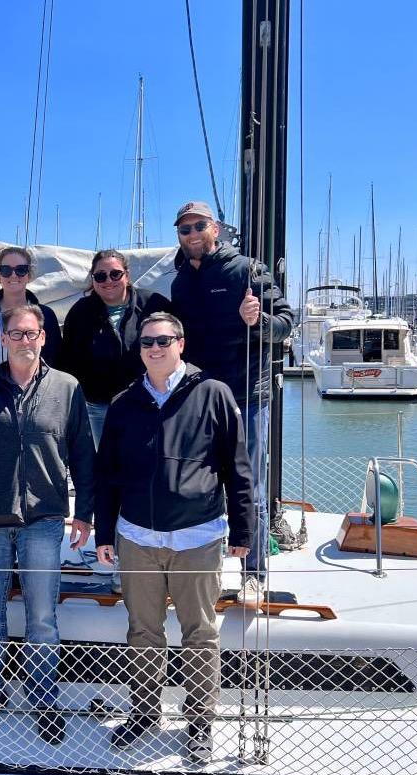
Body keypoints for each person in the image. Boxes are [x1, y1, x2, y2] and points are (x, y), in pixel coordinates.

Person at [94, 312, 254, 764]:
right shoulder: (125, 403)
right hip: (137, 537)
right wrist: (104, 531)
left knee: (199, 632)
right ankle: (145, 713)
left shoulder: (214, 394)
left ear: (181, 343)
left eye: (164, 340)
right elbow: (107, 475)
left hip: (197, 536)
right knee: (142, 631)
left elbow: (238, 470)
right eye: (147, 341)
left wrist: (243, 530)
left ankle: (200, 720)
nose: (155, 348)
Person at [0, 304, 94, 747]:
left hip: (45, 520)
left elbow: (84, 454)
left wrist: (85, 512)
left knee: (42, 618)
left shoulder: (66, 388)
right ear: (4, 338)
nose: (25, 341)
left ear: (43, 338)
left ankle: (43, 700)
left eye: (32, 334)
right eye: (16, 334)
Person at [167, 201, 292, 600]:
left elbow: (287, 322)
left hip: (245, 397)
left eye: (199, 226)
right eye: (184, 230)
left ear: (215, 229)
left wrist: (260, 321)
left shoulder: (248, 270)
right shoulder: (180, 282)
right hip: (199, 400)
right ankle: (205, 566)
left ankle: (254, 573)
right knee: (200, 485)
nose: (192, 235)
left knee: (248, 486)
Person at [59, 249, 173, 445]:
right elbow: (68, 360)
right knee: (107, 465)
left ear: (127, 276)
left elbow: (176, 347)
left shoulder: (153, 304)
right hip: (99, 407)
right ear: (93, 280)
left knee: (147, 464)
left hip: (148, 402)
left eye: (115, 274)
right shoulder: (80, 313)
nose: (108, 280)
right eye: (100, 276)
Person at [0, 246, 62, 380]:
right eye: (6, 270)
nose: (13, 275)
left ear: (29, 275)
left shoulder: (46, 316)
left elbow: (57, 361)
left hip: (36, 395)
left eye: (21, 270)